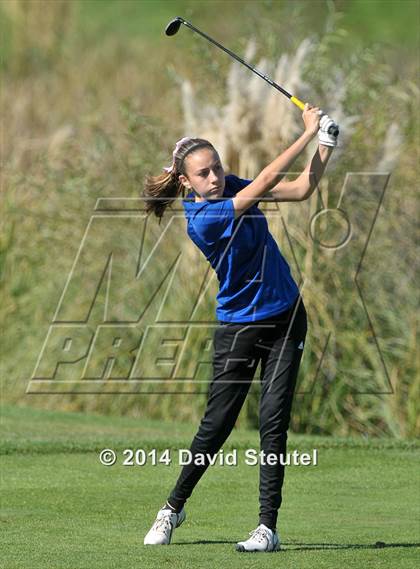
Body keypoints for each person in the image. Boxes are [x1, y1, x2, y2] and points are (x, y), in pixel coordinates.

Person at [142, 104, 338, 552]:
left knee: (274, 423)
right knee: (217, 425)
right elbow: (267, 181)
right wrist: (306, 132)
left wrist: (326, 144)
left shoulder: (229, 185)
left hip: (286, 316)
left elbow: (303, 188)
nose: (214, 178)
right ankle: (172, 508)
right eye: (203, 174)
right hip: (238, 327)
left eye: (216, 168)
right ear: (185, 182)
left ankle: (267, 528)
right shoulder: (202, 219)